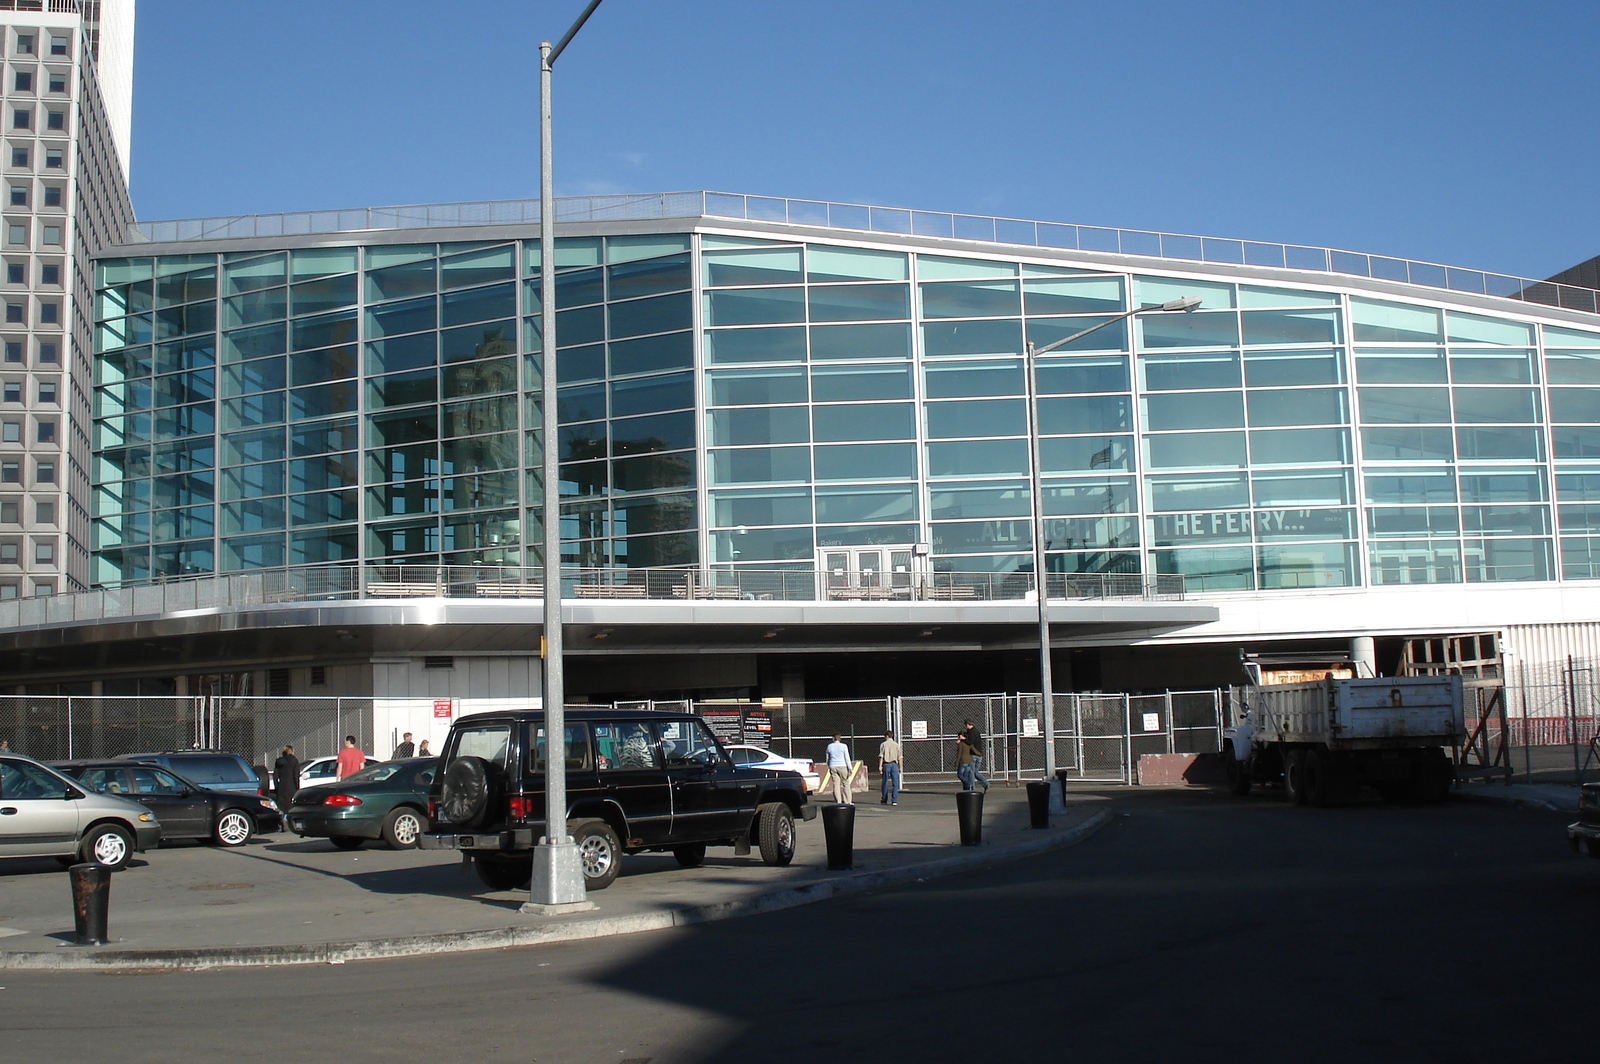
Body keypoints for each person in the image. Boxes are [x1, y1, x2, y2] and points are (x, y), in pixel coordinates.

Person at [960, 719, 990, 792]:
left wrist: (963, 739)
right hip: (979, 754)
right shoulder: (976, 731)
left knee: (971, 772)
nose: (965, 727)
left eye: (966, 725)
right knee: (975, 771)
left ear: (968, 724)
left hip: (973, 754)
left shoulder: (971, 732)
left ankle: (971, 788)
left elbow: (970, 742)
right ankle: (985, 783)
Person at [824, 733, 853, 805]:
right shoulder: (844, 746)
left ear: (833, 738)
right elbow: (847, 757)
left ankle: (838, 801)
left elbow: (827, 758)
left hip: (833, 766)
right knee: (845, 783)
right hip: (842, 766)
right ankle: (848, 801)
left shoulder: (829, 746)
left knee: (836, 784)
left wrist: (829, 765)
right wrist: (850, 767)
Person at [877, 729, 903, 806]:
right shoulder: (896, 745)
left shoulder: (883, 744)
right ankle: (894, 800)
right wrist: (900, 767)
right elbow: (900, 757)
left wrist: (880, 766)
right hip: (894, 765)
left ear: (887, 736)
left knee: (885, 782)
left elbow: (881, 756)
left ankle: (884, 799)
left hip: (886, 764)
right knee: (895, 783)